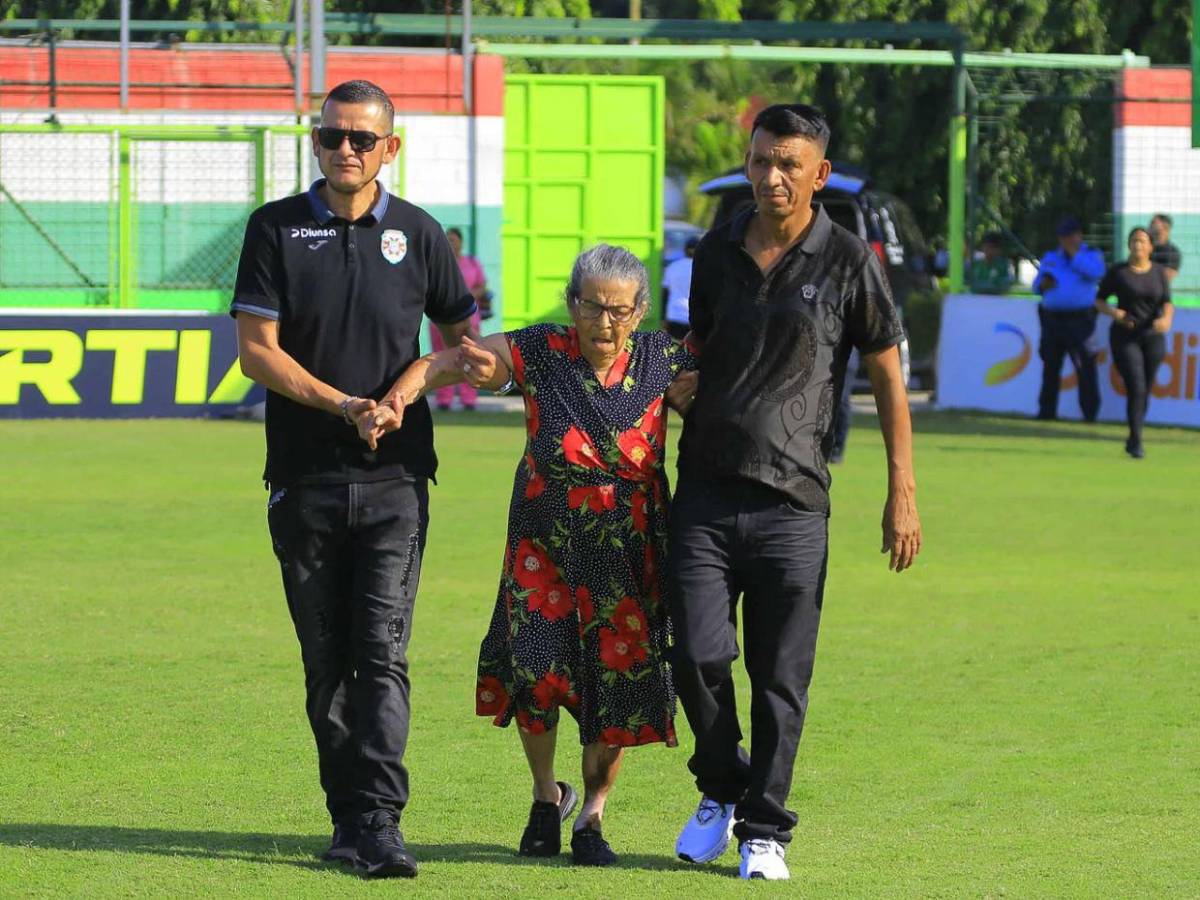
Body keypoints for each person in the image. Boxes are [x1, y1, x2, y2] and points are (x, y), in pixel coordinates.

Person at [358, 244, 697, 867]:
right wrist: (396, 400)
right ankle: (546, 796)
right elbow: (452, 361)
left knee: (614, 687)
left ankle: (592, 816)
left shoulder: (663, 359)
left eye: (619, 311)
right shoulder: (542, 349)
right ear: (571, 304)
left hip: (629, 554)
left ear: (641, 311)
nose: (604, 323)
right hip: (543, 549)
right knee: (536, 675)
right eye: (591, 307)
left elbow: (724, 400)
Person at [667, 103, 922, 881]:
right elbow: (698, 342)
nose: (771, 176)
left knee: (780, 679)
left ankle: (764, 831)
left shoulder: (848, 259)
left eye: (788, 164)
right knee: (696, 657)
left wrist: (901, 491)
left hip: (795, 503)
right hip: (704, 493)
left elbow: (887, 376)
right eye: (761, 160)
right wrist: (682, 376)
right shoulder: (714, 251)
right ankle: (722, 785)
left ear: (820, 174)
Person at [231, 79, 477, 879]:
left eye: (361, 139)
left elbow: (462, 347)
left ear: (389, 148)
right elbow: (257, 352)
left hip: (396, 482)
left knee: (382, 654)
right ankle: (347, 819)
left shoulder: (420, 233)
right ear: (316, 141)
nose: (345, 149)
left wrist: (403, 393)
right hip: (303, 479)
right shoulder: (273, 228)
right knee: (326, 660)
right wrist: (344, 405)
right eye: (331, 135)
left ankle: (379, 821)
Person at [1095, 227, 1175, 458]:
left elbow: (1167, 302)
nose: (1137, 245)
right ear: (1129, 245)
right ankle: (1137, 441)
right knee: (1136, 386)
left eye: (1142, 241)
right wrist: (1115, 313)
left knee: (1144, 389)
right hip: (1125, 336)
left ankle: (1133, 437)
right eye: (1134, 241)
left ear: (1150, 247)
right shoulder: (1118, 272)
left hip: (1152, 336)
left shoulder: (1159, 272)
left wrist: (1166, 319)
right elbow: (1099, 301)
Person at [1032, 217, 1105, 422]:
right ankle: (1046, 412)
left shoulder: (1091, 254)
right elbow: (1036, 286)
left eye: (1071, 236)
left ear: (1080, 235)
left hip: (1080, 320)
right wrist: (1042, 285)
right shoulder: (1050, 257)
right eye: (1064, 237)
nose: (1067, 240)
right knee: (1050, 366)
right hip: (1052, 319)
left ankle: (1089, 414)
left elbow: (1097, 273)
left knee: (1085, 367)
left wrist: (1074, 255)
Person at [428, 226, 487, 410]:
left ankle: (469, 398)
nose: (450, 243)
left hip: (469, 318)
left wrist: (465, 297)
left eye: (453, 239)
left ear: (461, 242)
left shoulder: (471, 262)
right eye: (448, 239)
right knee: (441, 357)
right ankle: (444, 399)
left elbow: (482, 286)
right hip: (440, 318)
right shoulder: (438, 261)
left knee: (470, 355)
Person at [662, 234, 699, 340]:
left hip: (674, 316)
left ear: (685, 250)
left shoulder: (673, 267)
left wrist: (663, 317)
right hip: (694, 318)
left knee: (675, 348)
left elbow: (665, 293)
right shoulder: (702, 268)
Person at [1148, 213, 1181, 283]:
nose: (1149, 226)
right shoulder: (1145, 249)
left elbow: (1167, 277)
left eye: (1153, 223)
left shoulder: (1172, 252)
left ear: (1165, 227)